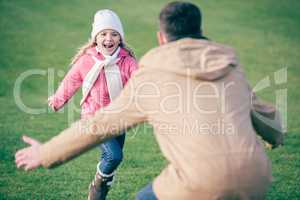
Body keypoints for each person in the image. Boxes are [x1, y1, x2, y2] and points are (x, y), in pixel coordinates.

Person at [15, 2, 284, 200]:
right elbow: (266, 115)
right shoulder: (231, 68)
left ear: (161, 37)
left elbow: (100, 125)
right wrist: (275, 138)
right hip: (256, 177)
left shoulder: (150, 76)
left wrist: (46, 153)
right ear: (200, 30)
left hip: (199, 182)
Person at [47, 9, 138, 200]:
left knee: (112, 160)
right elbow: (70, 82)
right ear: (95, 38)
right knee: (113, 156)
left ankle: (99, 190)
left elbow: (141, 82)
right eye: (103, 34)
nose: (109, 38)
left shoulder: (127, 62)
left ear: (120, 38)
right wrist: (57, 101)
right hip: (93, 119)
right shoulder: (86, 61)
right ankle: (97, 183)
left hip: (118, 119)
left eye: (114, 34)